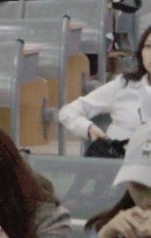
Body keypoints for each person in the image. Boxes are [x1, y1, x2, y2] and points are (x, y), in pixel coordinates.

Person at [60, 25, 151, 157]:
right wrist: (89, 128)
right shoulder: (124, 85)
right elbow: (68, 112)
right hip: (117, 163)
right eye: (148, 46)